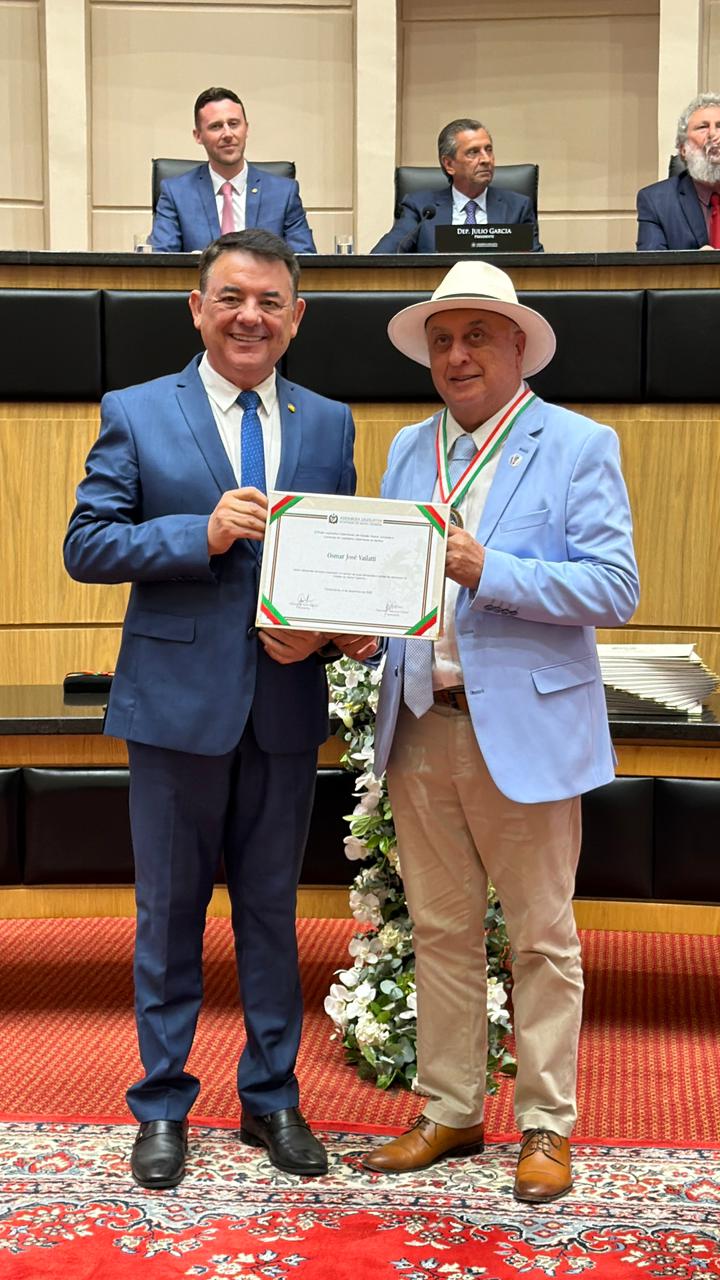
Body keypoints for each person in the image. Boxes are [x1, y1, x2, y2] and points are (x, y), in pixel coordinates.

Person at [64, 229, 372, 1189]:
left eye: (270, 302)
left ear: (296, 318)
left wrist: (329, 634)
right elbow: (88, 543)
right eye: (232, 298)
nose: (251, 316)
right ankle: (161, 1104)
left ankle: (271, 1096)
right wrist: (192, 533)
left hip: (283, 707)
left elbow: (346, 565)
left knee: (274, 915)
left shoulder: (328, 423)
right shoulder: (137, 411)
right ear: (198, 307)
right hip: (171, 709)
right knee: (169, 916)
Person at [363, 260, 639, 1202]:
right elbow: (398, 583)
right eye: (441, 339)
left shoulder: (577, 443)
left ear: (519, 345)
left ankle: (546, 1124)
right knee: (438, 931)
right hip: (420, 723)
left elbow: (615, 587)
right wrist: (366, 625)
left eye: (477, 334)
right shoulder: (406, 447)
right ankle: (448, 1110)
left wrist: (495, 568)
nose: (456, 353)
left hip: (522, 729)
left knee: (542, 939)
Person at [150, 87, 316, 254]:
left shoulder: (283, 193)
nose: (228, 134)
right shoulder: (176, 194)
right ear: (198, 136)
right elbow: (160, 263)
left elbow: (305, 262)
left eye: (234, 124)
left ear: (246, 128)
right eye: (216, 126)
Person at [371, 118, 542, 253]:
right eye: (473, 152)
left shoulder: (517, 208)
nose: (486, 159)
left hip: (495, 295)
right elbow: (383, 257)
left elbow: (539, 268)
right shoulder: (421, 209)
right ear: (449, 164)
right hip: (438, 294)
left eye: (488, 150)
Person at [636, 92, 720, 250]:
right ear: (683, 149)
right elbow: (652, 271)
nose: (713, 135)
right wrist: (697, 267)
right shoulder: (656, 202)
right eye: (703, 127)